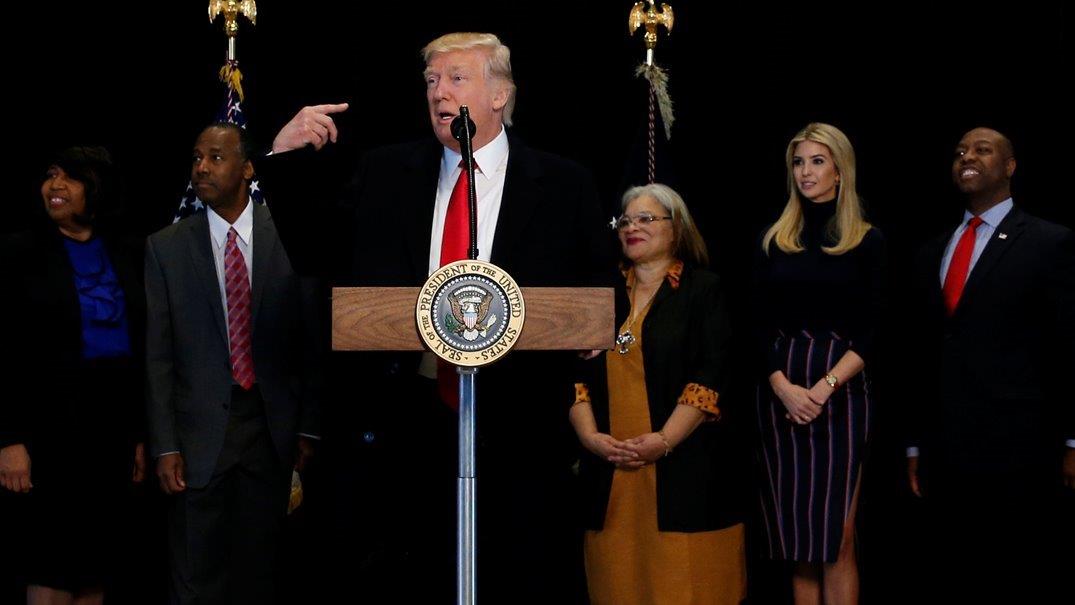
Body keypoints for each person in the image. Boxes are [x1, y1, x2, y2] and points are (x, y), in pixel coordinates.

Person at [257, 32, 614, 601]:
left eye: (455, 78)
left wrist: (594, 323)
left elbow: (598, 281)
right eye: (430, 81)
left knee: (520, 576)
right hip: (409, 417)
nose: (438, 93)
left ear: (500, 95)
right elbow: (312, 253)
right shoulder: (385, 172)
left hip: (520, 425)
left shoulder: (563, 182)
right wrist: (283, 157)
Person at [144, 123, 321, 605]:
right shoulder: (166, 247)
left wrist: (307, 428)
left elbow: (308, 343)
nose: (202, 167)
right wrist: (164, 445)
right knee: (196, 580)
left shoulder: (288, 236)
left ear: (247, 168)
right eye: (197, 157)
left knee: (262, 576)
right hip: (198, 441)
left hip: (271, 433)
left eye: (217, 157)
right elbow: (158, 356)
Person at [905, 127, 1075, 600]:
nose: (967, 157)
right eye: (959, 151)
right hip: (946, 452)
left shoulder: (1048, 241)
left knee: (1015, 572)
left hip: (1020, 451)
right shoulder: (929, 252)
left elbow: (1067, 346)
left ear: (1011, 166)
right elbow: (920, 353)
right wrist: (915, 444)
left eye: (983, 150)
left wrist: (1072, 438)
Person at [570, 184, 746, 604]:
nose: (632, 227)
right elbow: (574, 380)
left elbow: (709, 380)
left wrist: (663, 441)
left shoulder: (703, 290)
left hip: (684, 473)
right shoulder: (602, 295)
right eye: (625, 220)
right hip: (610, 478)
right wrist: (591, 438)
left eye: (646, 219)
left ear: (676, 227)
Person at [0, 146, 146, 605]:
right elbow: (2, 352)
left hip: (111, 430)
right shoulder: (18, 252)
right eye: (50, 175)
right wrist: (10, 439)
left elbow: (144, 347)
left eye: (70, 178)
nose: (55, 186)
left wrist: (142, 434)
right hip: (48, 431)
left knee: (96, 567)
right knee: (52, 564)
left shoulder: (129, 251)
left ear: (96, 188)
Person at [753, 123, 884, 604]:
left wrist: (825, 386)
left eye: (816, 161)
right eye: (798, 162)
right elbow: (758, 324)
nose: (805, 172)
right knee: (798, 544)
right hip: (782, 391)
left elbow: (874, 329)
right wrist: (783, 386)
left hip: (842, 392)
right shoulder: (775, 239)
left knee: (837, 539)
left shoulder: (867, 241)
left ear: (840, 170)